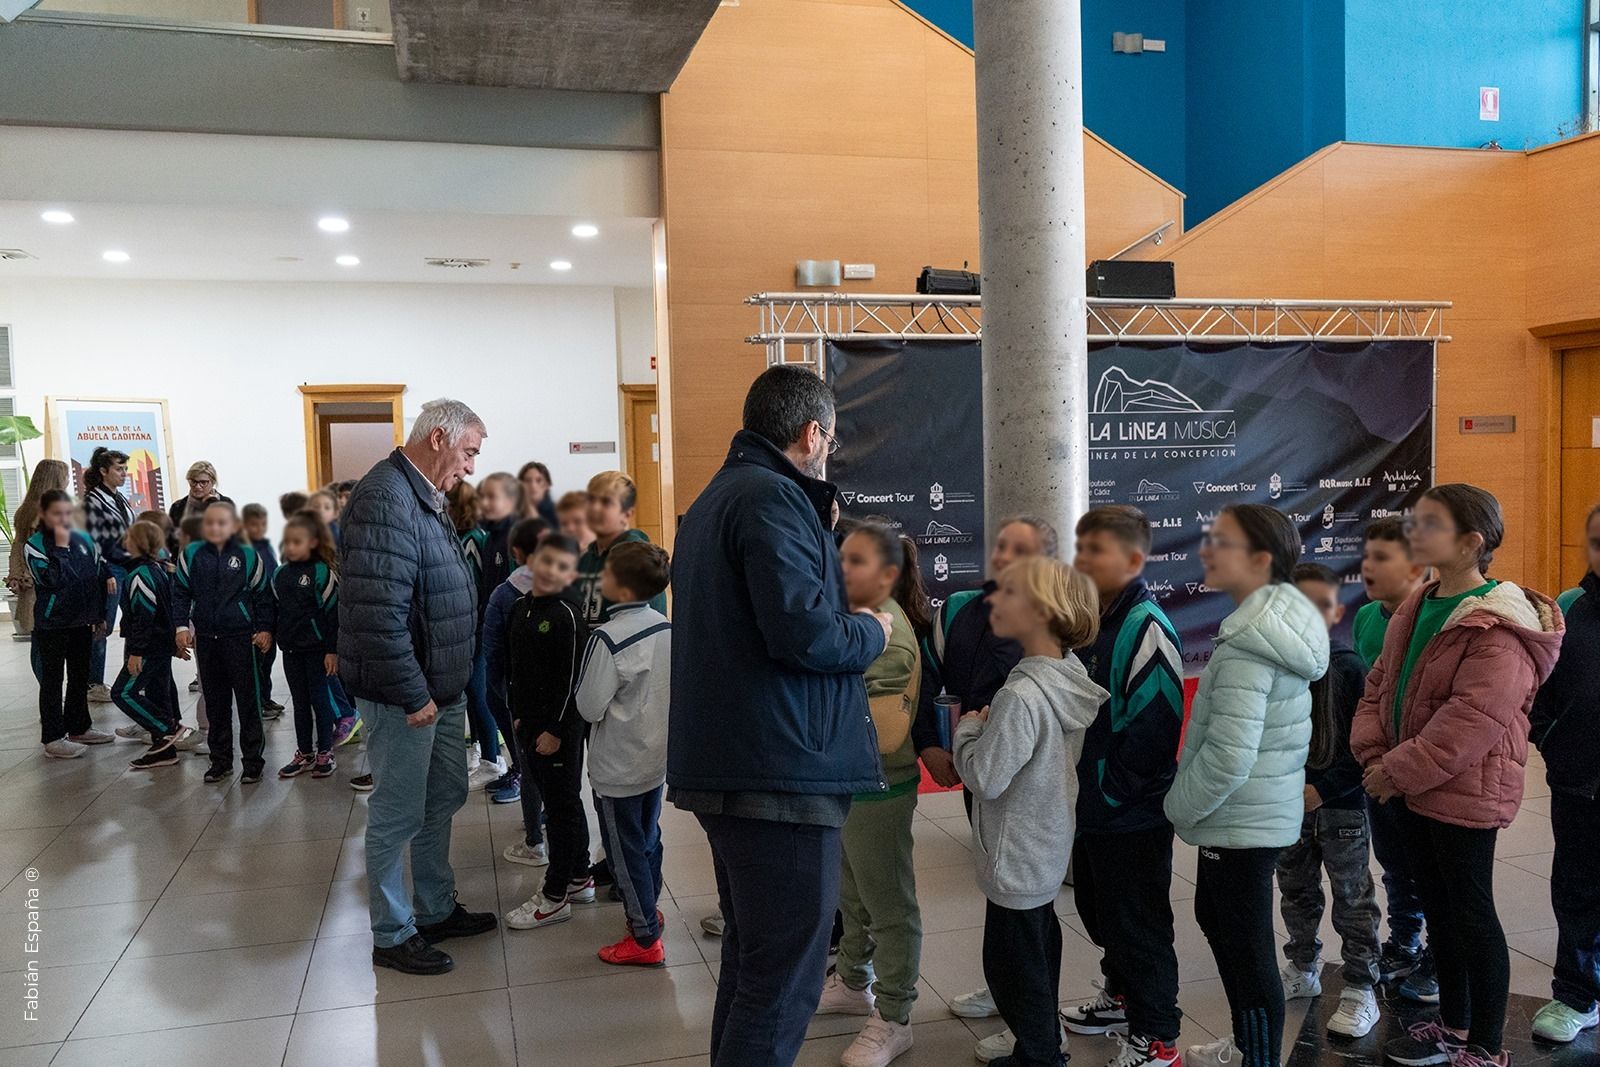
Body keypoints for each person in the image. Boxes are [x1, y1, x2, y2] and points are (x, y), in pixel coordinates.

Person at [667, 365, 891, 1067]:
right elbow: (808, 635)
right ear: (813, 432)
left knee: (754, 962)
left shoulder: (722, 495)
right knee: (784, 979)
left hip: (742, 759)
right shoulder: (770, 498)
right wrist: (874, 631)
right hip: (778, 774)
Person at [1352, 484, 1563, 1067]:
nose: (1413, 531)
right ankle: (1454, 1023)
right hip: (1409, 783)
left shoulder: (1500, 622)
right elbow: (1381, 686)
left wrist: (1394, 771)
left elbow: (1471, 720)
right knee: (1439, 905)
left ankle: (1488, 1047)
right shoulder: (1419, 603)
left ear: (1471, 542)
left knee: (1471, 909)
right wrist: (1375, 757)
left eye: (1429, 523)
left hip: (1464, 788)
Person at [1164, 503, 1328, 1067]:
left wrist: (1177, 807)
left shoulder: (1251, 645)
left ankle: (1259, 1057)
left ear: (1260, 559)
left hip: (1241, 818)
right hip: (1249, 814)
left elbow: (1229, 758)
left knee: (1245, 940)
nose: (1206, 549)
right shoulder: (1269, 626)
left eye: (1222, 541)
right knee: (1220, 919)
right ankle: (1245, 1044)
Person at [342, 399, 497, 975]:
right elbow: (378, 611)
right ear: (439, 437)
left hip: (441, 689)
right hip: (406, 696)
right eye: (469, 452)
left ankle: (433, 907)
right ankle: (392, 932)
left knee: (441, 800)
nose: (472, 468)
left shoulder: (421, 494)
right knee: (397, 813)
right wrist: (414, 694)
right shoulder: (385, 496)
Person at [954, 558, 1105, 1067]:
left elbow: (987, 777)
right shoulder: (1070, 677)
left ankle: (1039, 1055)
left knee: (1011, 966)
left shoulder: (1019, 695)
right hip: (1047, 840)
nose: (995, 601)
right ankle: (1040, 1045)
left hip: (1015, 853)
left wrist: (970, 731)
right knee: (1039, 947)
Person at [915, 515, 1059, 1038]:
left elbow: (1021, 720)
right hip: (978, 771)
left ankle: (1035, 1027)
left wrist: (974, 744)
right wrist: (932, 743)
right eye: (1000, 546)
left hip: (1020, 787)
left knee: (1024, 913)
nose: (1003, 558)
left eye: (1019, 550)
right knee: (1004, 905)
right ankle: (1012, 998)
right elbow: (930, 676)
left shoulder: (1044, 634)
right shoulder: (960, 610)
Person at [1064, 505, 1184, 1067]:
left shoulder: (1147, 627)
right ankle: (1120, 996)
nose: (1081, 560)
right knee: (1100, 910)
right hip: (1093, 808)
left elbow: (1154, 731)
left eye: (1096, 551)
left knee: (1139, 924)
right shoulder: (1094, 620)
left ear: (1133, 560)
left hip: (1130, 813)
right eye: (1080, 548)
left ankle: (1158, 1037)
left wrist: (1110, 792)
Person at [815, 521, 930, 1067]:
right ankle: (853, 981)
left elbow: (883, 731)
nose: (842, 569)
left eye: (855, 561)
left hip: (880, 788)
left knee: (889, 905)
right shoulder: (857, 623)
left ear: (887, 573)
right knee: (853, 894)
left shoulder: (889, 634)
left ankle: (895, 1015)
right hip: (849, 784)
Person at [1276, 563, 1383, 1038]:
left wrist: (1323, 789)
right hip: (1288, 806)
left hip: (1340, 808)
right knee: (1296, 890)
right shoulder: (1277, 665)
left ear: (1336, 610)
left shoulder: (1348, 666)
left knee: (1352, 896)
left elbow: (1363, 749)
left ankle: (1361, 983)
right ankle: (1303, 965)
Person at [575, 540, 673, 966]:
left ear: (625, 590)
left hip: (618, 766)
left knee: (623, 850)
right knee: (649, 837)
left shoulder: (607, 638)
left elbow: (588, 705)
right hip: (656, 758)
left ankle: (644, 936)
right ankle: (650, 906)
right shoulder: (668, 628)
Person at [1351, 517, 1437, 1001]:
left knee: (1433, 868)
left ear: (1418, 566)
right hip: (1377, 767)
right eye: (1366, 556)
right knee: (1394, 862)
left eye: (1381, 558)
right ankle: (1404, 940)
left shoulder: (1436, 620)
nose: (1367, 567)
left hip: (1422, 771)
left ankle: (1441, 957)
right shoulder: (1366, 618)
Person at [575, 469, 666, 892]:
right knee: (607, 789)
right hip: (594, 671)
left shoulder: (634, 554)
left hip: (625, 679)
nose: (594, 511)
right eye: (590, 501)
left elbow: (650, 627)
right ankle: (617, 861)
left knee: (633, 794)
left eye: (605, 504)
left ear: (626, 512)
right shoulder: (588, 554)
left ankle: (637, 877)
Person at [1530, 502, 1600, 1044]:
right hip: (1580, 783)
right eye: (1596, 542)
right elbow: (1538, 694)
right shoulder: (1568, 609)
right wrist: (1555, 743)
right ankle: (1577, 994)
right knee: (1577, 888)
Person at [503, 533, 594, 930]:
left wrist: (557, 729)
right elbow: (517, 669)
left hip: (559, 730)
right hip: (530, 726)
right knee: (560, 802)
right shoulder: (521, 608)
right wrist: (519, 715)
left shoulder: (567, 614)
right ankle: (578, 875)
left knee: (561, 808)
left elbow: (574, 681)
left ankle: (556, 894)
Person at [174, 500, 271, 785]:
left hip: (242, 638)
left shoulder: (248, 555)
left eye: (222, 522)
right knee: (215, 704)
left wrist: (265, 628)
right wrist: (181, 627)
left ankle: (253, 762)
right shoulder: (190, 554)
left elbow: (263, 596)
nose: (215, 527)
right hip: (207, 638)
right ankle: (220, 761)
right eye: (210, 522)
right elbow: (180, 593)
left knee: (248, 702)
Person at [26, 488, 115, 758]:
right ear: (44, 515)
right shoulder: (36, 545)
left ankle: (79, 726)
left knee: (79, 676)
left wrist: (99, 615)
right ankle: (53, 738)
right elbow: (52, 581)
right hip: (53, 623)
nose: (63, 519)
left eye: (67, 513)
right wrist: (62, 550)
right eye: (57, 514)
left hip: (82, 620)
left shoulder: (84, 539)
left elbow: (97, 572)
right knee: (53, 680)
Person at [486, 518, 550, 868]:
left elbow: (492, 653)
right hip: (561, 702)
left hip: (520, 698)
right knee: (562, 774)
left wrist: (506, 698)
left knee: (530, 768)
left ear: (514, 552)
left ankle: (534, 843)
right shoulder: (566, 589)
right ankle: (564, 838)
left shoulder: (503, 595)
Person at [266, 510, 342, 780]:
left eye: (297, 542)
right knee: (299, 702)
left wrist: (332, 650)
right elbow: (274, 610)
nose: (290, 547)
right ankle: (305, 753)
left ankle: (325, 752)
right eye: (287, 542)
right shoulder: (279, 574)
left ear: (312, 542)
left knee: (320, 701)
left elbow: (333, 615)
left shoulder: (322, 572)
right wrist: (270, 634)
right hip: (291, 649)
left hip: (318, 650)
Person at [111, 520, 191, 769]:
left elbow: (145, 618)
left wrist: (136, 652)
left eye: (129, 538)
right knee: (159, 694)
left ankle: (166, 729)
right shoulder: (159, 570)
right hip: (161, 647)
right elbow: (168, 612)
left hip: (149, 649)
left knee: (122, 693)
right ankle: (165, 752)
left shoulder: (140, 576)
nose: (124, 542)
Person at [469, 472, 522, 800]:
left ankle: (523, 774)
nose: (486, 503)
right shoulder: (490, 537)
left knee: (510, 706)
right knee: (493, 699)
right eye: (483, 497)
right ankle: (516, 765)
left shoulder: (514, 537)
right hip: (492, 635)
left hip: (512, 639)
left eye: (493, 497)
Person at [83, 446, 133, 704]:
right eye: (118, 469)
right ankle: (93, 682)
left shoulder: (119, 498)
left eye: (125, 468)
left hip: (128, 566)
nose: (123, 473)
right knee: (103, 624)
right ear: (103, 471)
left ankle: (132, 673)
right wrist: (104, 572)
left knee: (135, 622)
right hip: (110, 569)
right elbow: (92, 542)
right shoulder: (92, 500)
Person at [7, 458, 70, 648]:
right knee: (49, 640)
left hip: (32, 574)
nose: (68, 481)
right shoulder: (46, 512)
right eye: (65, 476)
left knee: (40, 637)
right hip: (47, 576)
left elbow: (17, 547)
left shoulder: (25, 509)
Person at [241, 503, 283, 718]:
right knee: (256, 663)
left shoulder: (265, 546)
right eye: (254, 524)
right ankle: (258, 703)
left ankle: (266, 697)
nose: (259, 528)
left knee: (268, 659)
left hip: (271, 612)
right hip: (255, 616)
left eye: (263, 523)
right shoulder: (244, 551)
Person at [167, 460, 231, 526]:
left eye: (203, 482)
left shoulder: (226, 503)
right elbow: (171, 534)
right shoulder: (177, 507)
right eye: (193, 482)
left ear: (213, 482)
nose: (197, 486)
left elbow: (231, 532)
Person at [519, 461, 559, 526]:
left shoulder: (558, 512)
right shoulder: (512, 511)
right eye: (528, 480)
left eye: (539, 480)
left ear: (547, 485)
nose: (533, 485)